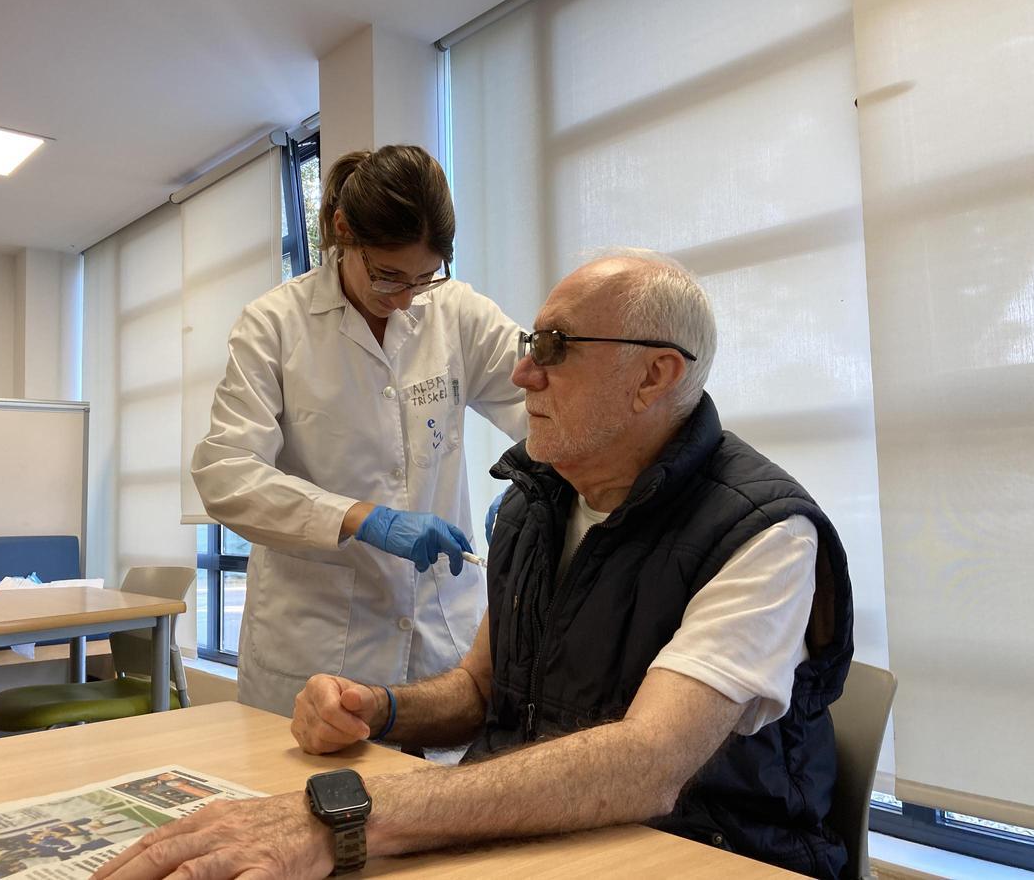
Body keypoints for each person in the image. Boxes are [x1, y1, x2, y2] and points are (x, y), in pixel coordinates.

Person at [98, 251, 854, 880]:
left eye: (554, 349)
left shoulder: (765, 533)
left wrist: (348, 813)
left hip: (699, 850)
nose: (524, 377)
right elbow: (482, 689)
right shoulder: (538, 503)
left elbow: (650, 764)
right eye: (532, 345)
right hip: (548, 838)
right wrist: (378, 707)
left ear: (653, 377)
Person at [191, 144, 527, 718]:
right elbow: (227, 473)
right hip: (317, 648)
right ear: (343, 232)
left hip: (441, 640)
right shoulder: (274, 326)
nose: (403, 299)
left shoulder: (457, 311)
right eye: (387, 275)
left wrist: (536, 477)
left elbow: (545, 397)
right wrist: (360, 518)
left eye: (423, 279)